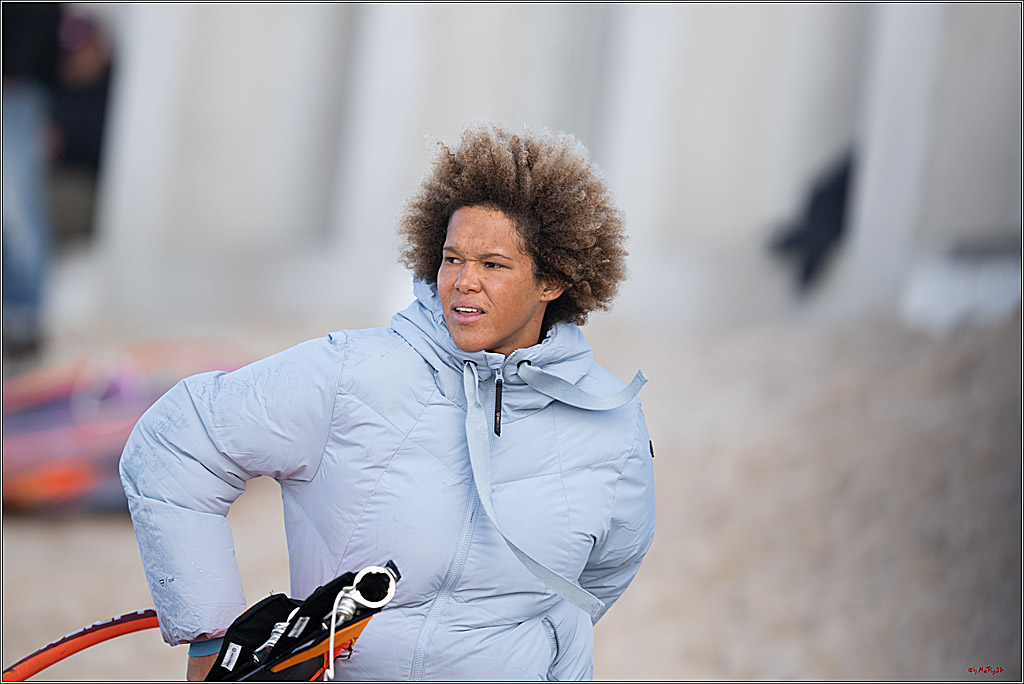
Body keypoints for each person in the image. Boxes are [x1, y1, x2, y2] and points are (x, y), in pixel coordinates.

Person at [119, 122, 657, 681]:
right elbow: (177, 441)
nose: (463, 282)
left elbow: (606, 572)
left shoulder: (611, 420)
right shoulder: (353, 372)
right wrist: (210, 638)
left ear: (552, 281)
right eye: (453, 259)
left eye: (493, 265)